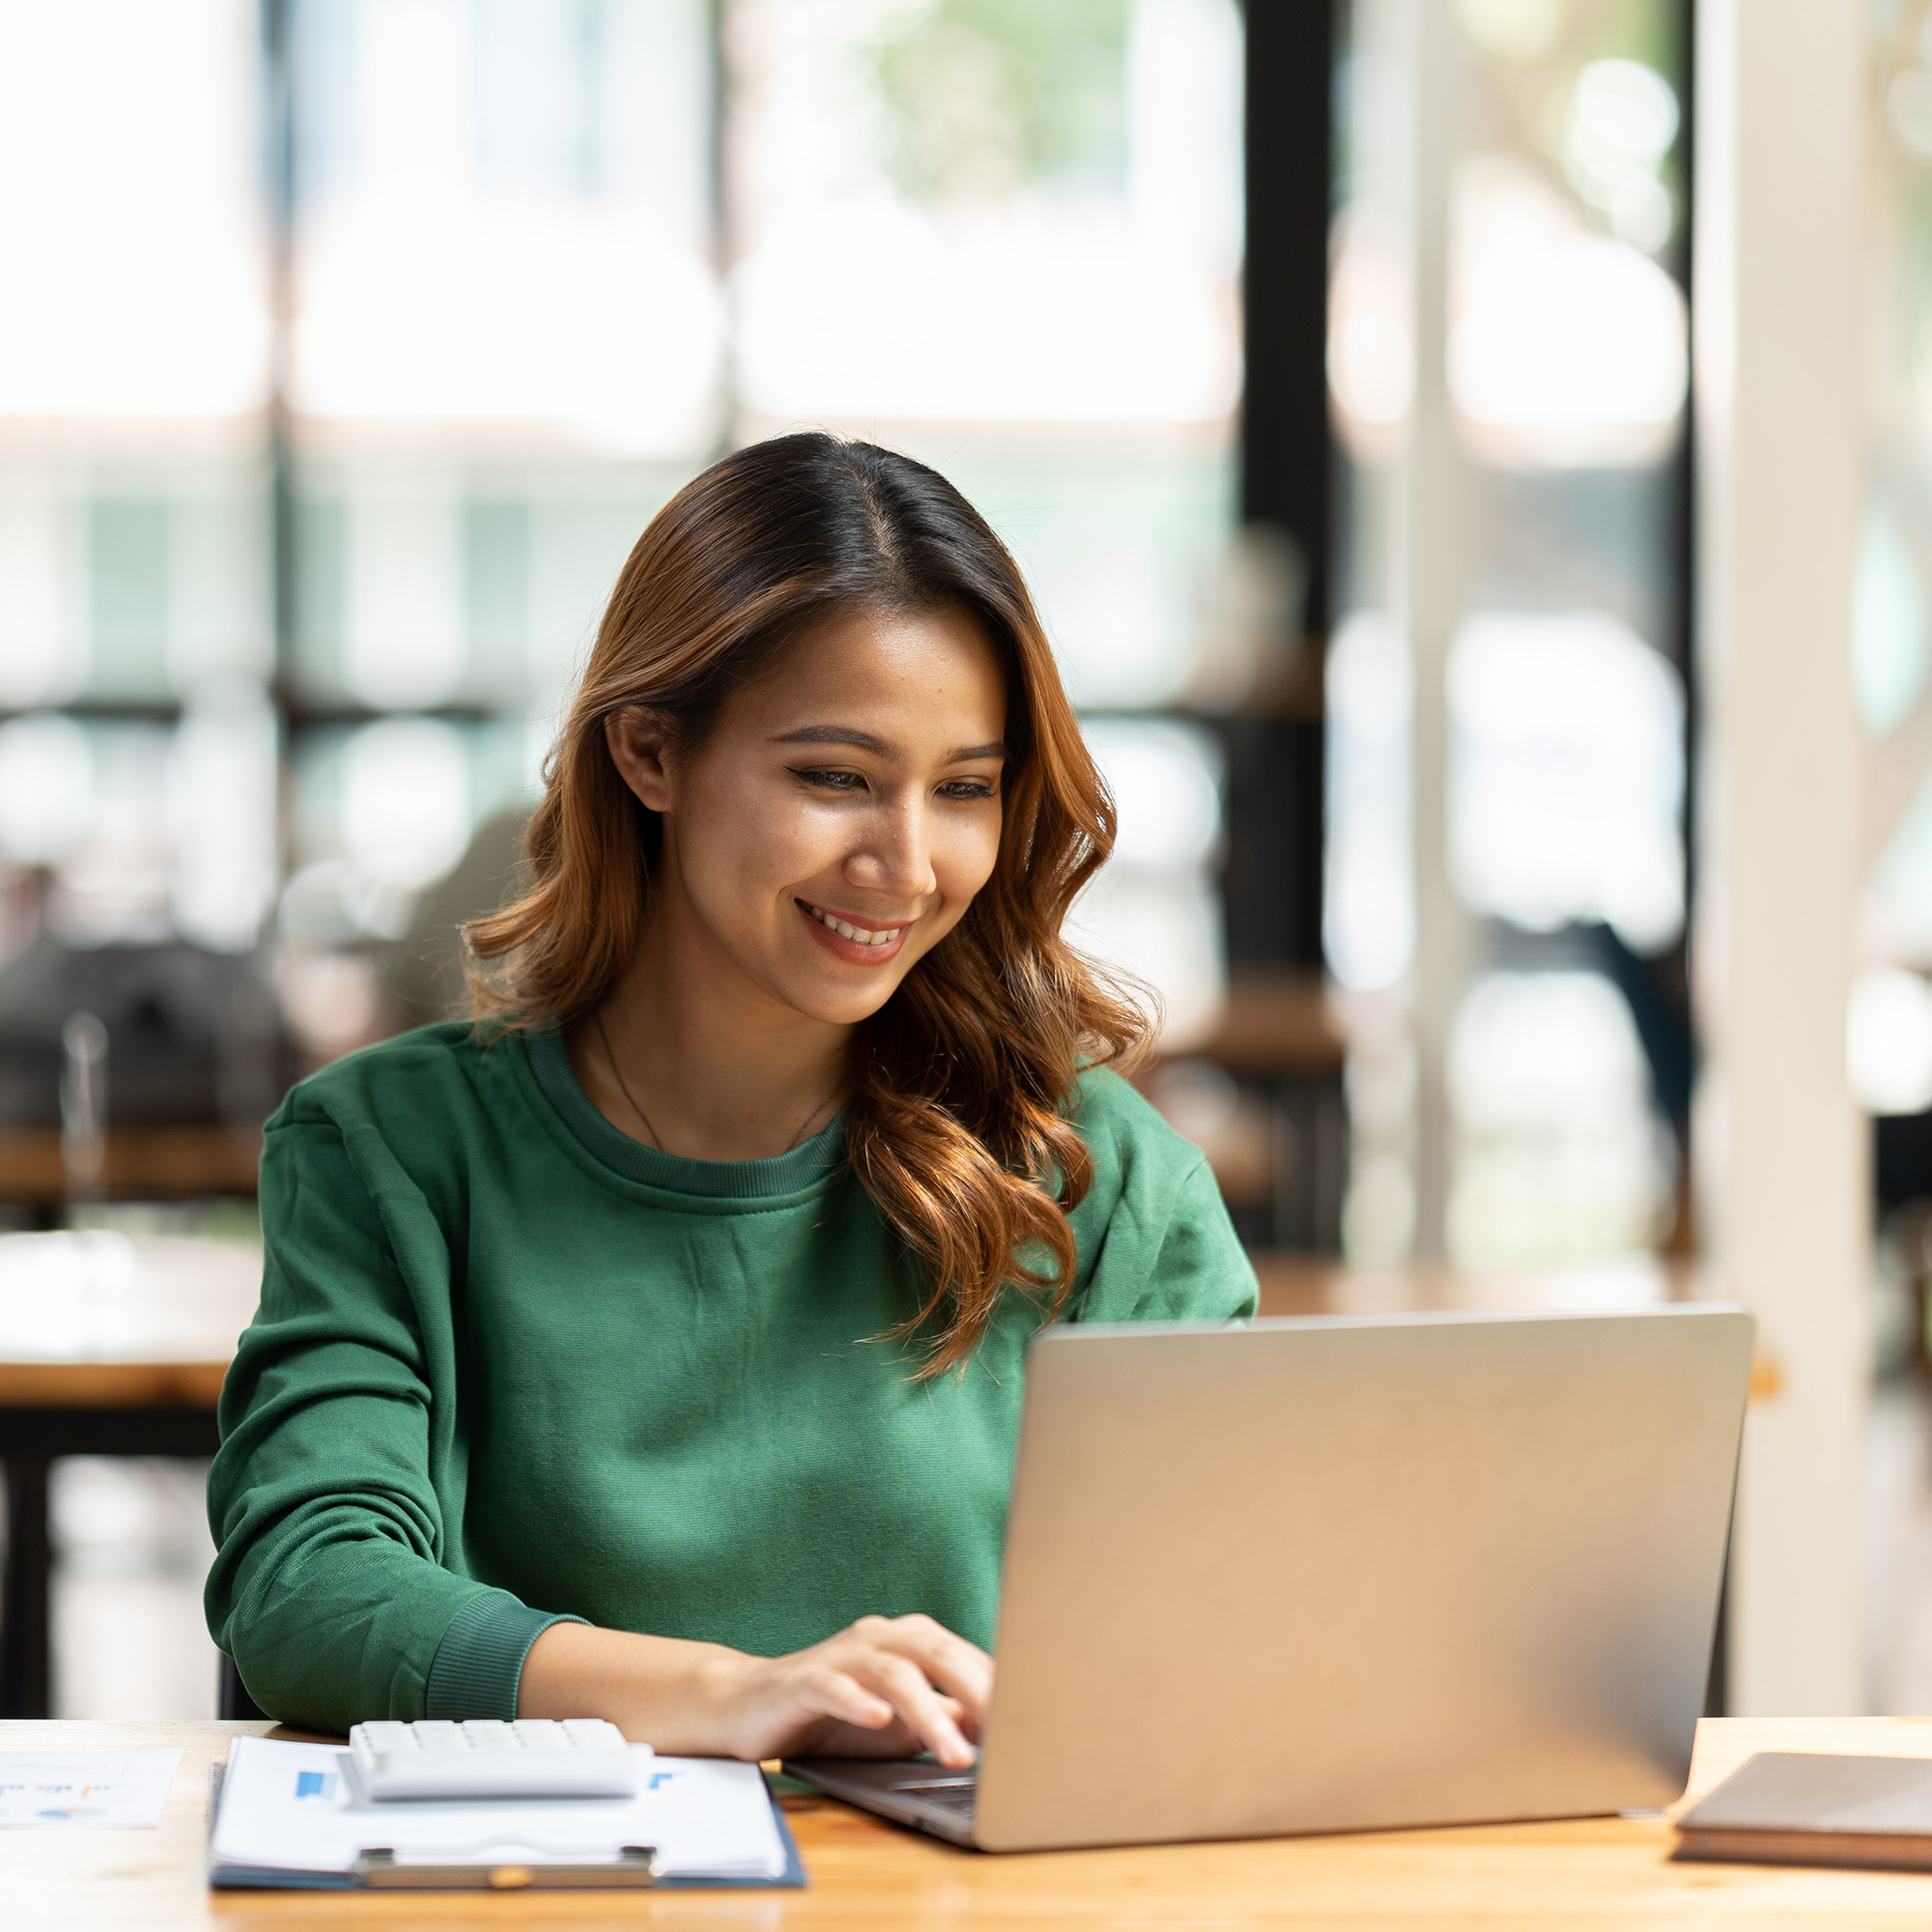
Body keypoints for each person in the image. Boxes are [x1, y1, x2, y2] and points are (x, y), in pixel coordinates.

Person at [205, 434, 1258, 1768]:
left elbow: (1230, 1629)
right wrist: (730, 1696)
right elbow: (306, 1588)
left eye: (967, 790)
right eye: (835, 778)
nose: (909, 863)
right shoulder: (393, 1152)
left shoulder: (1100, 1179)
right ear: (650, 753)